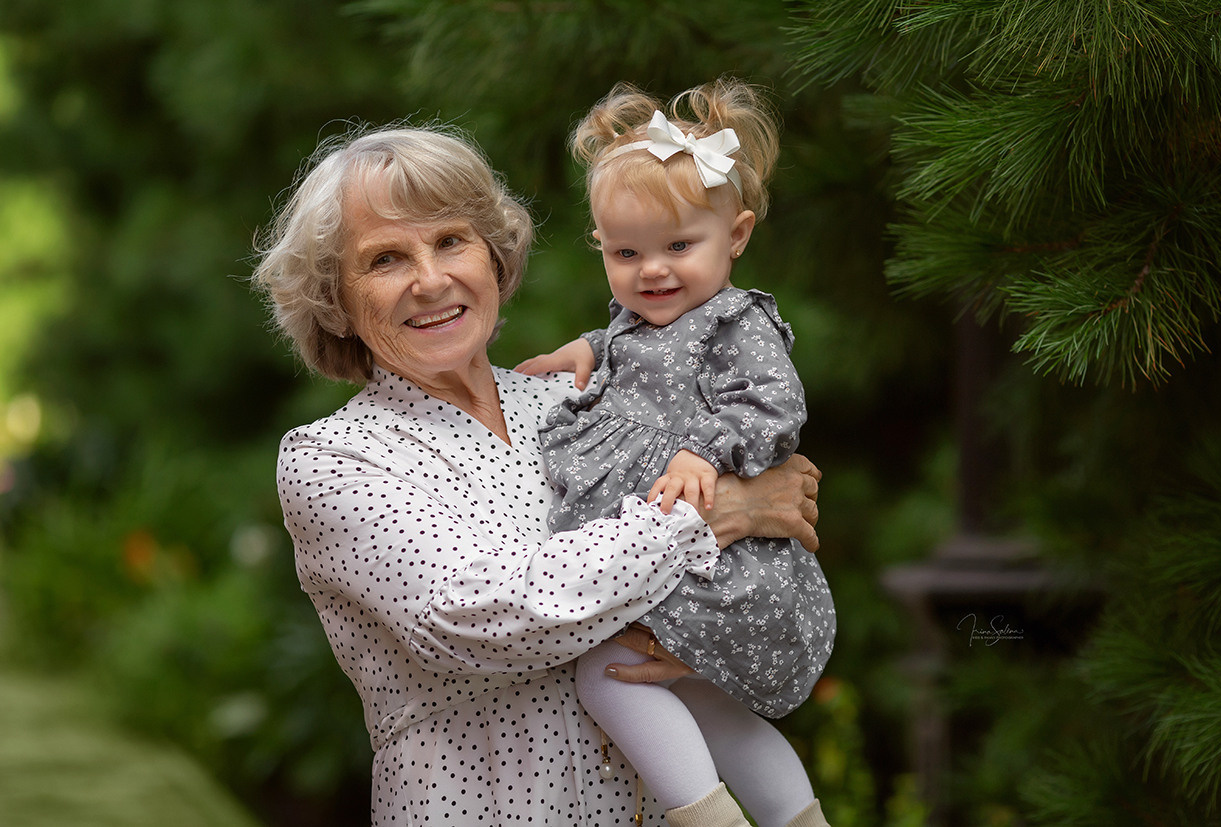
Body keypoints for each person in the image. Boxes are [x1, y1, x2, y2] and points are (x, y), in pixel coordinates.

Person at [251, 122, 826, 827]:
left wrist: (698, 636)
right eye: (386, 259)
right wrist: (714, 514)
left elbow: (774, 486)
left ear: (493, 257)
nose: (431, 280)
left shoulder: (576, 400)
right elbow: (482, 615)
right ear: (336, 300)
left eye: (450, 241)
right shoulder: (334, 457)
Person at [515, 78, 835, 827]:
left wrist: (705, 450)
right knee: (706, 703)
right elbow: (630, 358)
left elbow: (775, 406)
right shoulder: (635, 325)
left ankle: (706, 818)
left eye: (678, 246)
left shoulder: (733, 320)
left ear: (739, 235)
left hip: (717, 566)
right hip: (665, 561)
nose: (651, 270)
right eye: (626, 252)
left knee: (607, 674)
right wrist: (587, 348)